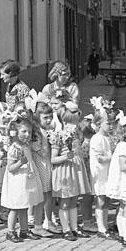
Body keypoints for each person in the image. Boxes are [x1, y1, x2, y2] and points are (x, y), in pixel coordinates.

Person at [50, 102, 91, 241]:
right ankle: (65, 228)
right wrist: (65, 157)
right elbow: (53, 159)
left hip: (75, 169)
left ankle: (74, 227)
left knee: (74, 200)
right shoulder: (59, 136)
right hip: (65, 170)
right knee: (65, 201)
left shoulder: (76, 134)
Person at [1, 118, 44, 243]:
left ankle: (24, 231)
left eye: (29, 132)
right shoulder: (14, 148)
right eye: (24, 132)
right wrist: (20, 162)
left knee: (24, 206)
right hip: (17, 181)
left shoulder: (26, 146)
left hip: (26, 179)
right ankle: (10, 231)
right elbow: (10, 168)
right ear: (16, 132)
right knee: (15, 207)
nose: (27, 135)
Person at [32, 103, 60, 236]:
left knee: (49, 194)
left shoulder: (48, 130)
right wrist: (49, 141)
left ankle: (48, 220)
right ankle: (40, 223)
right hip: (41, 165)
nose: (48, 120)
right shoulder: (38, 132)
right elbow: (40, 152)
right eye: (45, 118)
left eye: (50, 117)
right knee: (43, 195)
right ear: (38, 118)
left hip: (48, 164)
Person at [89, 109, 115, 239]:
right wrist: (113, 157)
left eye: (112, 123)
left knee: (106, 199)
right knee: (101, 199)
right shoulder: (97, 138)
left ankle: (105, 224)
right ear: (99, 123)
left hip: (108, 172)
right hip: (100, 173)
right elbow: (100, 158)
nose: (111, 126)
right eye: (108, 123)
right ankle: (100, 227)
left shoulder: (108, 137)